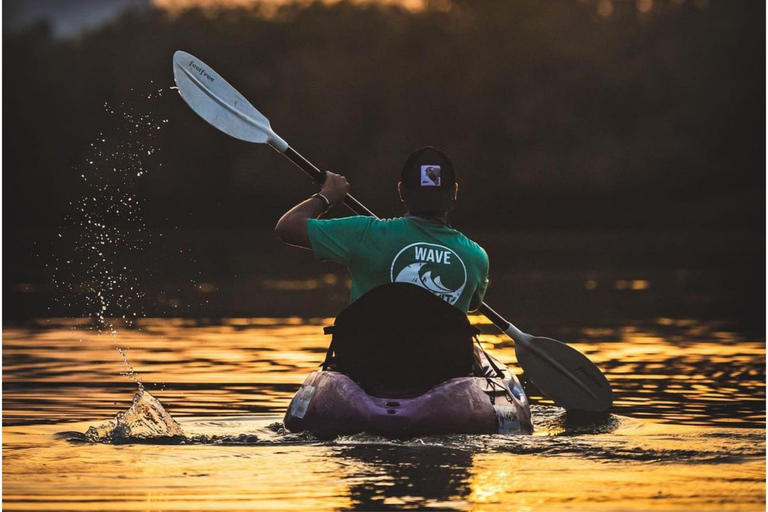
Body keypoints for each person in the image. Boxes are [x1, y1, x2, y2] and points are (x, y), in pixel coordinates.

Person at [274, 146, 489, 313]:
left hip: (370, 362)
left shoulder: (364, 233)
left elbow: (288, 226)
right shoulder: (475, 257)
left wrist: (328, 196)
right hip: (444, 365)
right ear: (455, 192)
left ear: (401, 191)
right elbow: (472, 305)